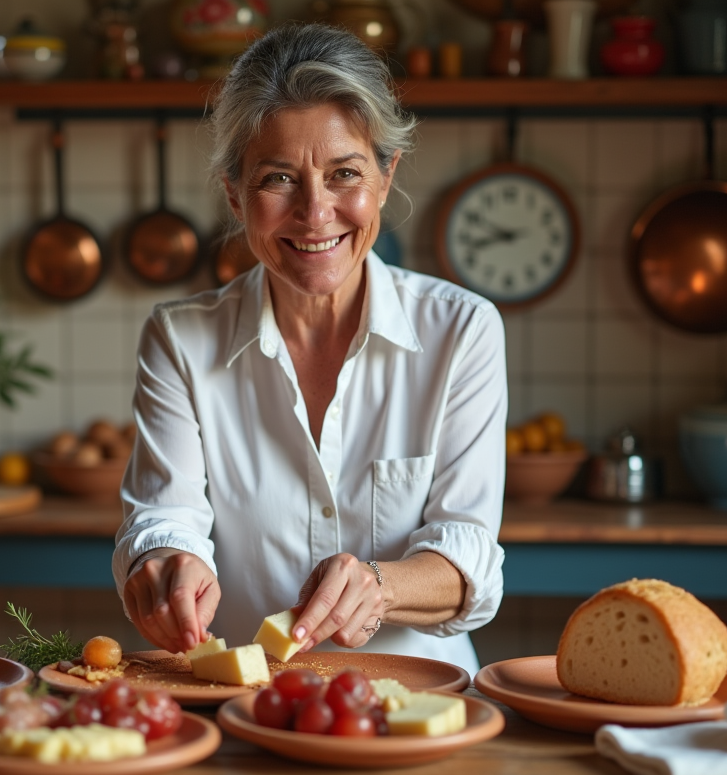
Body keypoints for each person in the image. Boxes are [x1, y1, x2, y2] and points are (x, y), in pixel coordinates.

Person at [112, 23, 506, 674]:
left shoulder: (461, 331)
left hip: (421, 700)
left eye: (344, 173)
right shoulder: (180, 338)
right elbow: (165, 515)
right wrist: (166, 565)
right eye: (278, 179)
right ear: (235, 193)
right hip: (241, 704)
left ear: (385, 177)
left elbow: (469, 554)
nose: (315, 212)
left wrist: (382, 586)